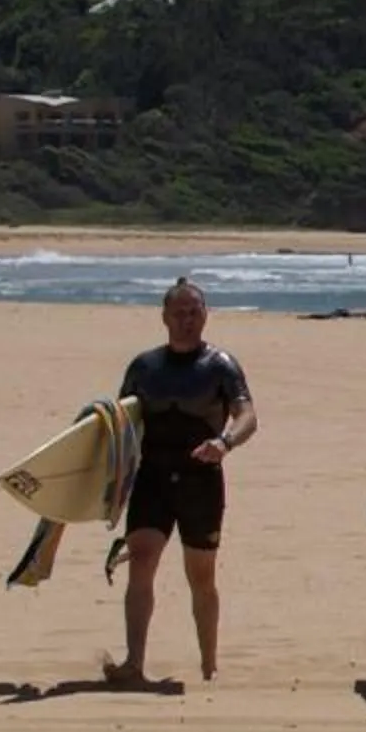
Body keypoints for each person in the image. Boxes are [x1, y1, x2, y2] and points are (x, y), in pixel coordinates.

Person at [110, 277, 256, 685]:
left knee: (201, 576)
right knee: (141, 563)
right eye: (179, 313)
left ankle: (209, 665)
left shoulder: (221, 365)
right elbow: (119, 427)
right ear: (164, 317)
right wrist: (110, 491)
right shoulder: (143, 367)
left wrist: (224, 442)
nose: (187, 320)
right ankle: (134, 663)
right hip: (151, 480)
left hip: (200, 482)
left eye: (194, 312)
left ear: (205, 315)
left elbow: (248, 416)